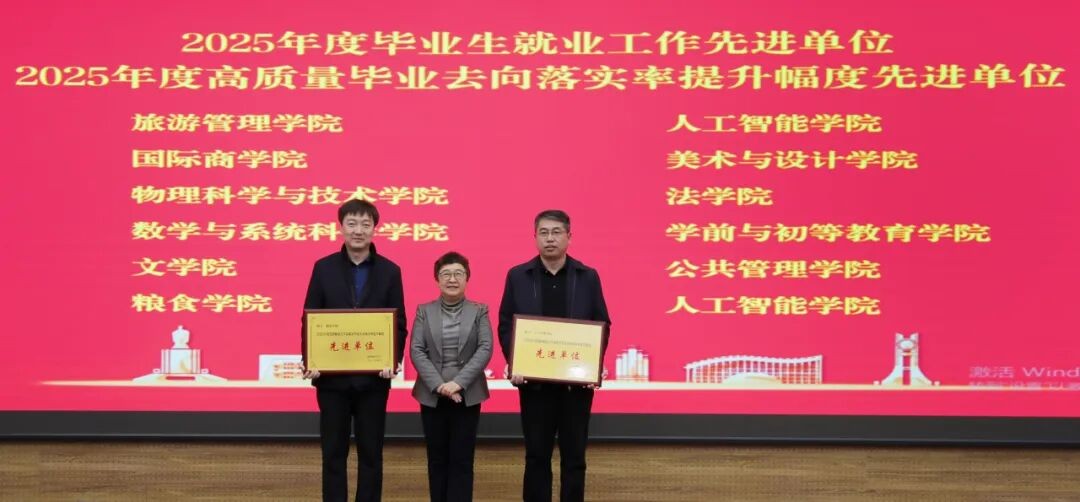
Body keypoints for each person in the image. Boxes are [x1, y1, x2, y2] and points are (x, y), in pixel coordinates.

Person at [497, 209, 612, 502]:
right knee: (536, 456)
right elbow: (506, 323)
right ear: (535, 237)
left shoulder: (587, 276)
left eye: (556, 232)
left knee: (574, 457)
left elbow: (601, 322)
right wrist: (515, 361)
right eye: (544, 232)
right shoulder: (518, 276)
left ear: (569, 237)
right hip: (534, 385)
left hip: (576, 387)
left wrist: (593, 364)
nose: (550, 239)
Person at [301, 199, 407, 502]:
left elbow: (399, 323)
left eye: (365, 224)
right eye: (352, 223)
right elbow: (310, 318)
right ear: (341, 227)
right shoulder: (323, 268)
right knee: (333, 453)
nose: (358, 230)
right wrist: (311, 360)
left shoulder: (390, 271)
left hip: (373, 380)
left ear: (374, 229)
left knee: (371, 454)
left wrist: (392, 359)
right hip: (331, 382)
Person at [410, 251, 493, 502]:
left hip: (468, 394)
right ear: (437, 279)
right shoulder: (424, 311)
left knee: (462, 459)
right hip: (431, 395)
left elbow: (485, 348)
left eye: (458, 273)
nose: (452, 279)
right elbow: (417, 350)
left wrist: (458, 383)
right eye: (446, 274)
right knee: (436, 459)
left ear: (467, 278)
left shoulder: (479, 311)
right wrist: (440, 386)